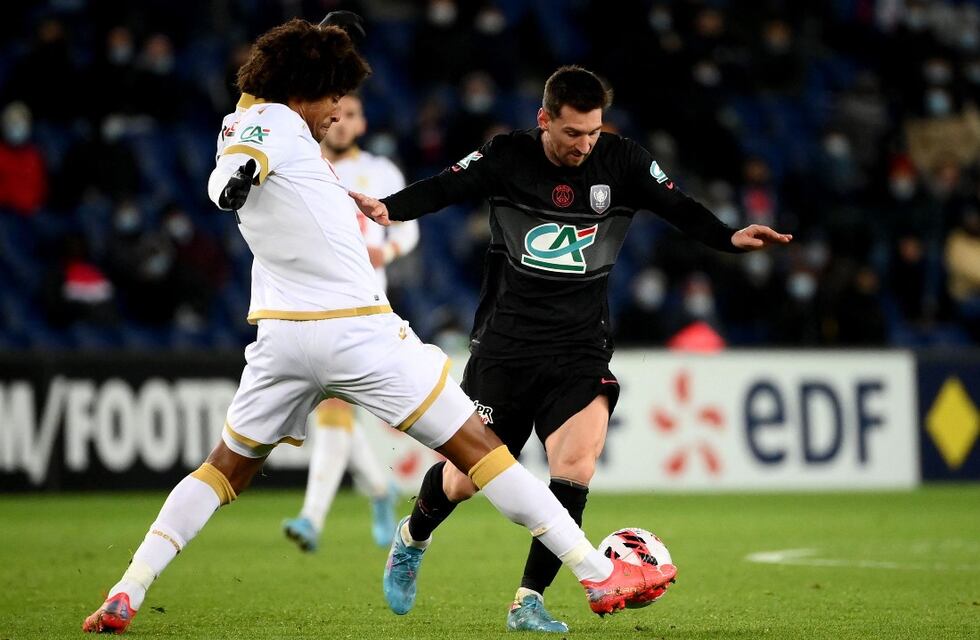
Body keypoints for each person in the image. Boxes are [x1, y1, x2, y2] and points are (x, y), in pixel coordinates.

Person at [81, 21, 675, 636]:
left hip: (281, 337)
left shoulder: (247, 120)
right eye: (335, 94)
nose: (339, 111)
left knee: (221, 469)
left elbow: (243, 139)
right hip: (356, 331)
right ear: (306, 88)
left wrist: (317, 44)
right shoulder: (276, 129)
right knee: (482, 451)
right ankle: (596, 573)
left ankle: (128, 588)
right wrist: (233, 182)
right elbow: (240, 164)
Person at [350, 65, 791, 633]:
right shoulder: (507, 156)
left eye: (594, 132)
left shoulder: (624, 161)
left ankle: (528, 600)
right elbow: (445, 186)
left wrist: (729, 236)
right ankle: (412, 540)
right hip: (504, 348)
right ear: (545, 120)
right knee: (461, 481)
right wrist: (391, 209)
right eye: (573, 133)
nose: (586, 145)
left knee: (575, 467)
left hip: (579, 348)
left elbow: (678, 206)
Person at [282, 94, 419, 551]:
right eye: (336, 113)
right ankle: (381, 492)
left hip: (363, 300)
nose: (341, 122)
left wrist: (389, 250)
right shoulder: (301, 163)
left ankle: (311, 518)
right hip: (310, 297)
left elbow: (407, 225)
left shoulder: (381, 172)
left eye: (353, 114)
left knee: (334, 408)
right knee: (335, 408)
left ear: (361, 125)